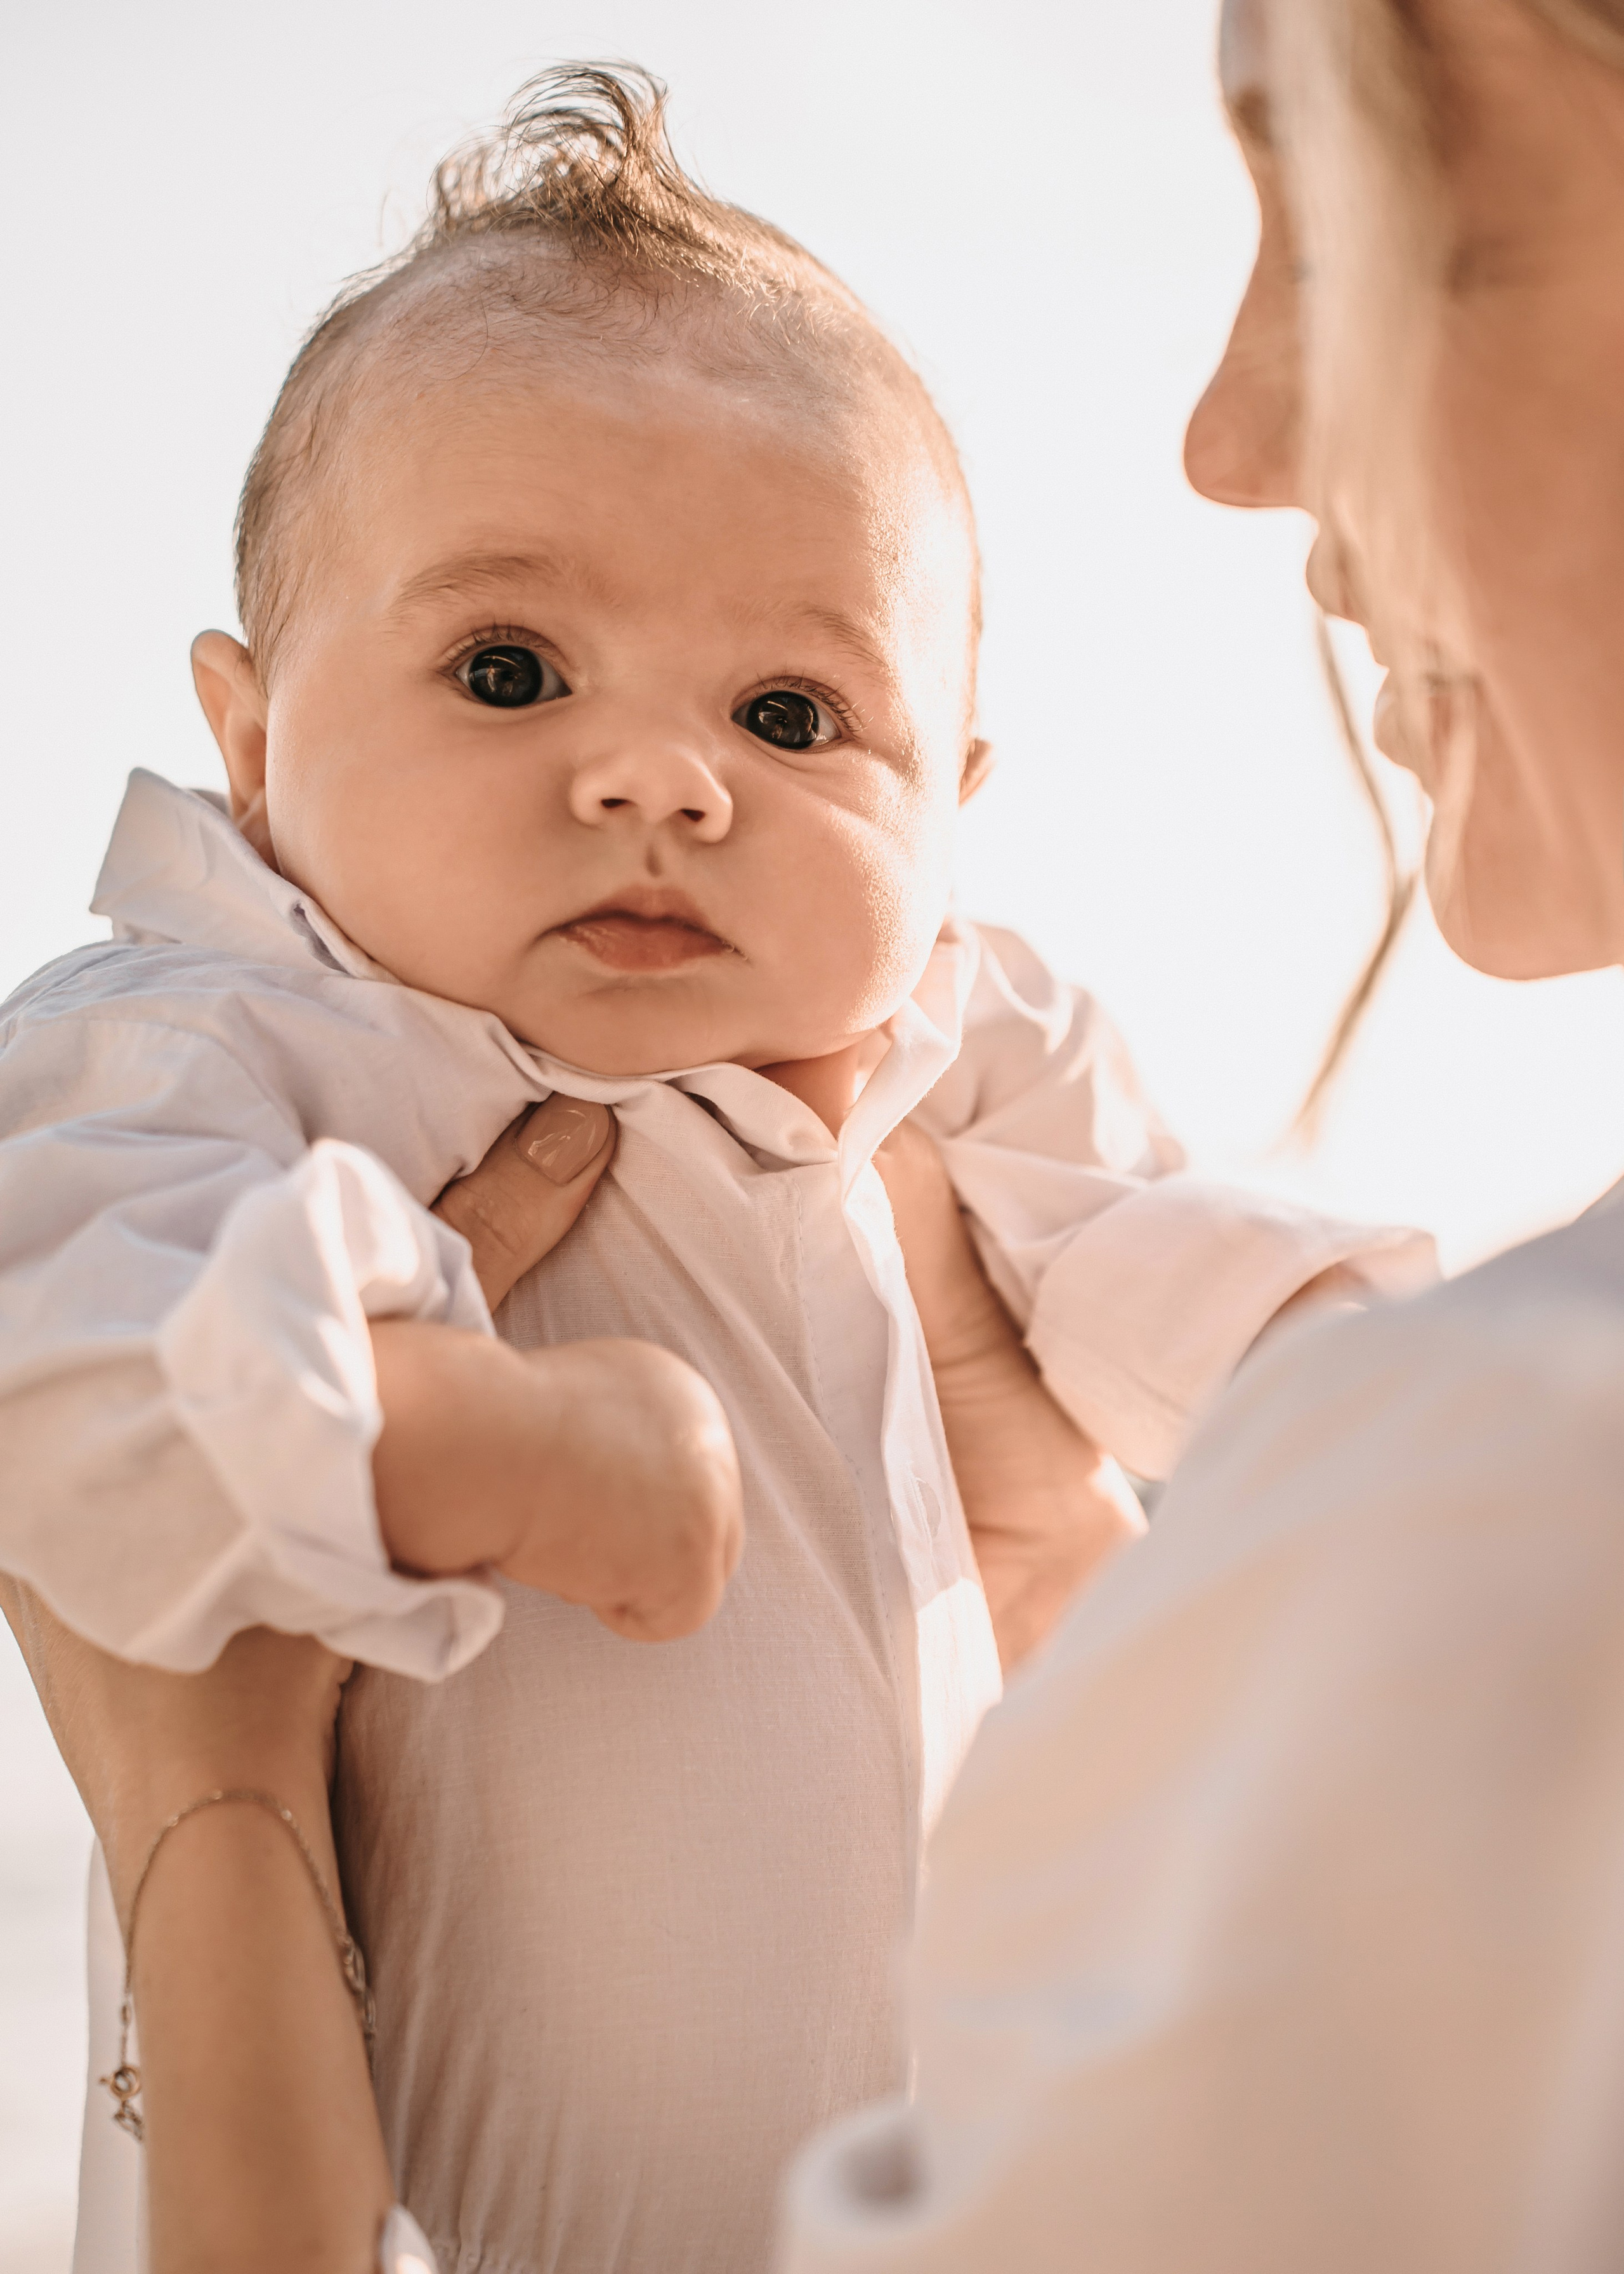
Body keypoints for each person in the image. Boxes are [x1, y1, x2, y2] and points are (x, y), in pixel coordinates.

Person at [0, 62, 1434, 2274]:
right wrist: (451, 1433)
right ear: (257, 748)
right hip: (445, 2209)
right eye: (510, 670)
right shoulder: (242, 1021)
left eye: (788, 716)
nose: (660, 781)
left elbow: (1171, 1258)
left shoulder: (944, 1029)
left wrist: (1355, 1372)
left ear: (948, 805)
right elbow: (66, 1305)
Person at [777, 1, 1624, 2268]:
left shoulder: (1517, 1485)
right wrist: (1136, 1653)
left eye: (1348, 224)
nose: (1228, 440)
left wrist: (210, 1822)